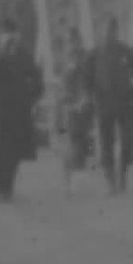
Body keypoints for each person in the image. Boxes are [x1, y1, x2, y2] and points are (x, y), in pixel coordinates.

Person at [0, 19, 44, 201]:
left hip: (19, 109)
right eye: (6, 35)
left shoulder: (24, 53)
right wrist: (3, 53)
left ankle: (8, 186)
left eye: (12, 35)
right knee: (0, 150)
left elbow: (37, 81)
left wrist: (30, 99)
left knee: (15, 150)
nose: (9, 39)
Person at [90, 17, 133, 195]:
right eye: (106, 31)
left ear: (116, 32)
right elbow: (85, 77)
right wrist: (90, 96)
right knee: (106, 142)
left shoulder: (127, 52)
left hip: (125, 103)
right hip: (104, 103)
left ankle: (122, 172)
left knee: (127, 141)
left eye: (112, 31)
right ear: (101, 32)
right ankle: (110, 179)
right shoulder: (95, 54)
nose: (109, 35)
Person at [57, 28, 95, 192]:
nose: (69, 45)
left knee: (77, 140)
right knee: (72, 140)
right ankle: (72, 178)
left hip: (78, 106)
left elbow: (85, 83)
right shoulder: (70, 59)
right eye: (68, 42)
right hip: (70, 106)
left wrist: (81, 101)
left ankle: (75, 179)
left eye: (71, 41)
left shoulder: (82, 60)